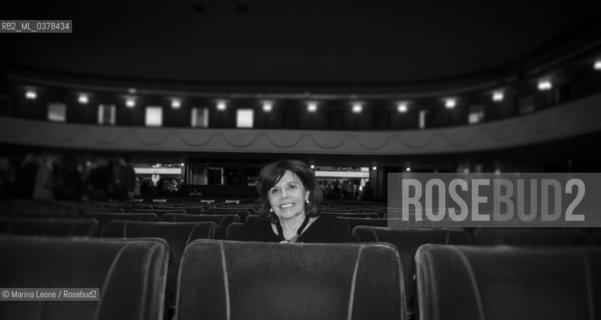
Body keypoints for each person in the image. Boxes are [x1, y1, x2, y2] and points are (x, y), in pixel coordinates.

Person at [236, 160, 352, 243]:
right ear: (268, 200)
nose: (284, 195)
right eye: (275, 190)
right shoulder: (252, 230)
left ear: (306, 193)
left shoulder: (333, 230)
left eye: (291, 187)